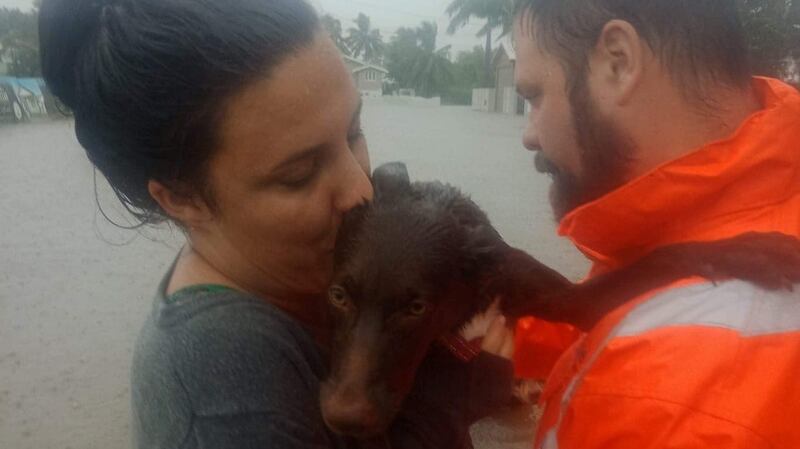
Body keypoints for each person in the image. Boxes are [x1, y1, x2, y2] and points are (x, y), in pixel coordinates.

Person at [38, 0, 515, 448]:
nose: (362, 191)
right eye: (299, 175)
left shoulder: (307, 276)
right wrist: (448, 402)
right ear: (183, 196)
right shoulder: (228, 395)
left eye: (354, 132)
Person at [510, 1, 800, 448]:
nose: (529, 134)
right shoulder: (740, 215)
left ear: (619, 62)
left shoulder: (648, 407)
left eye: (533, 96)